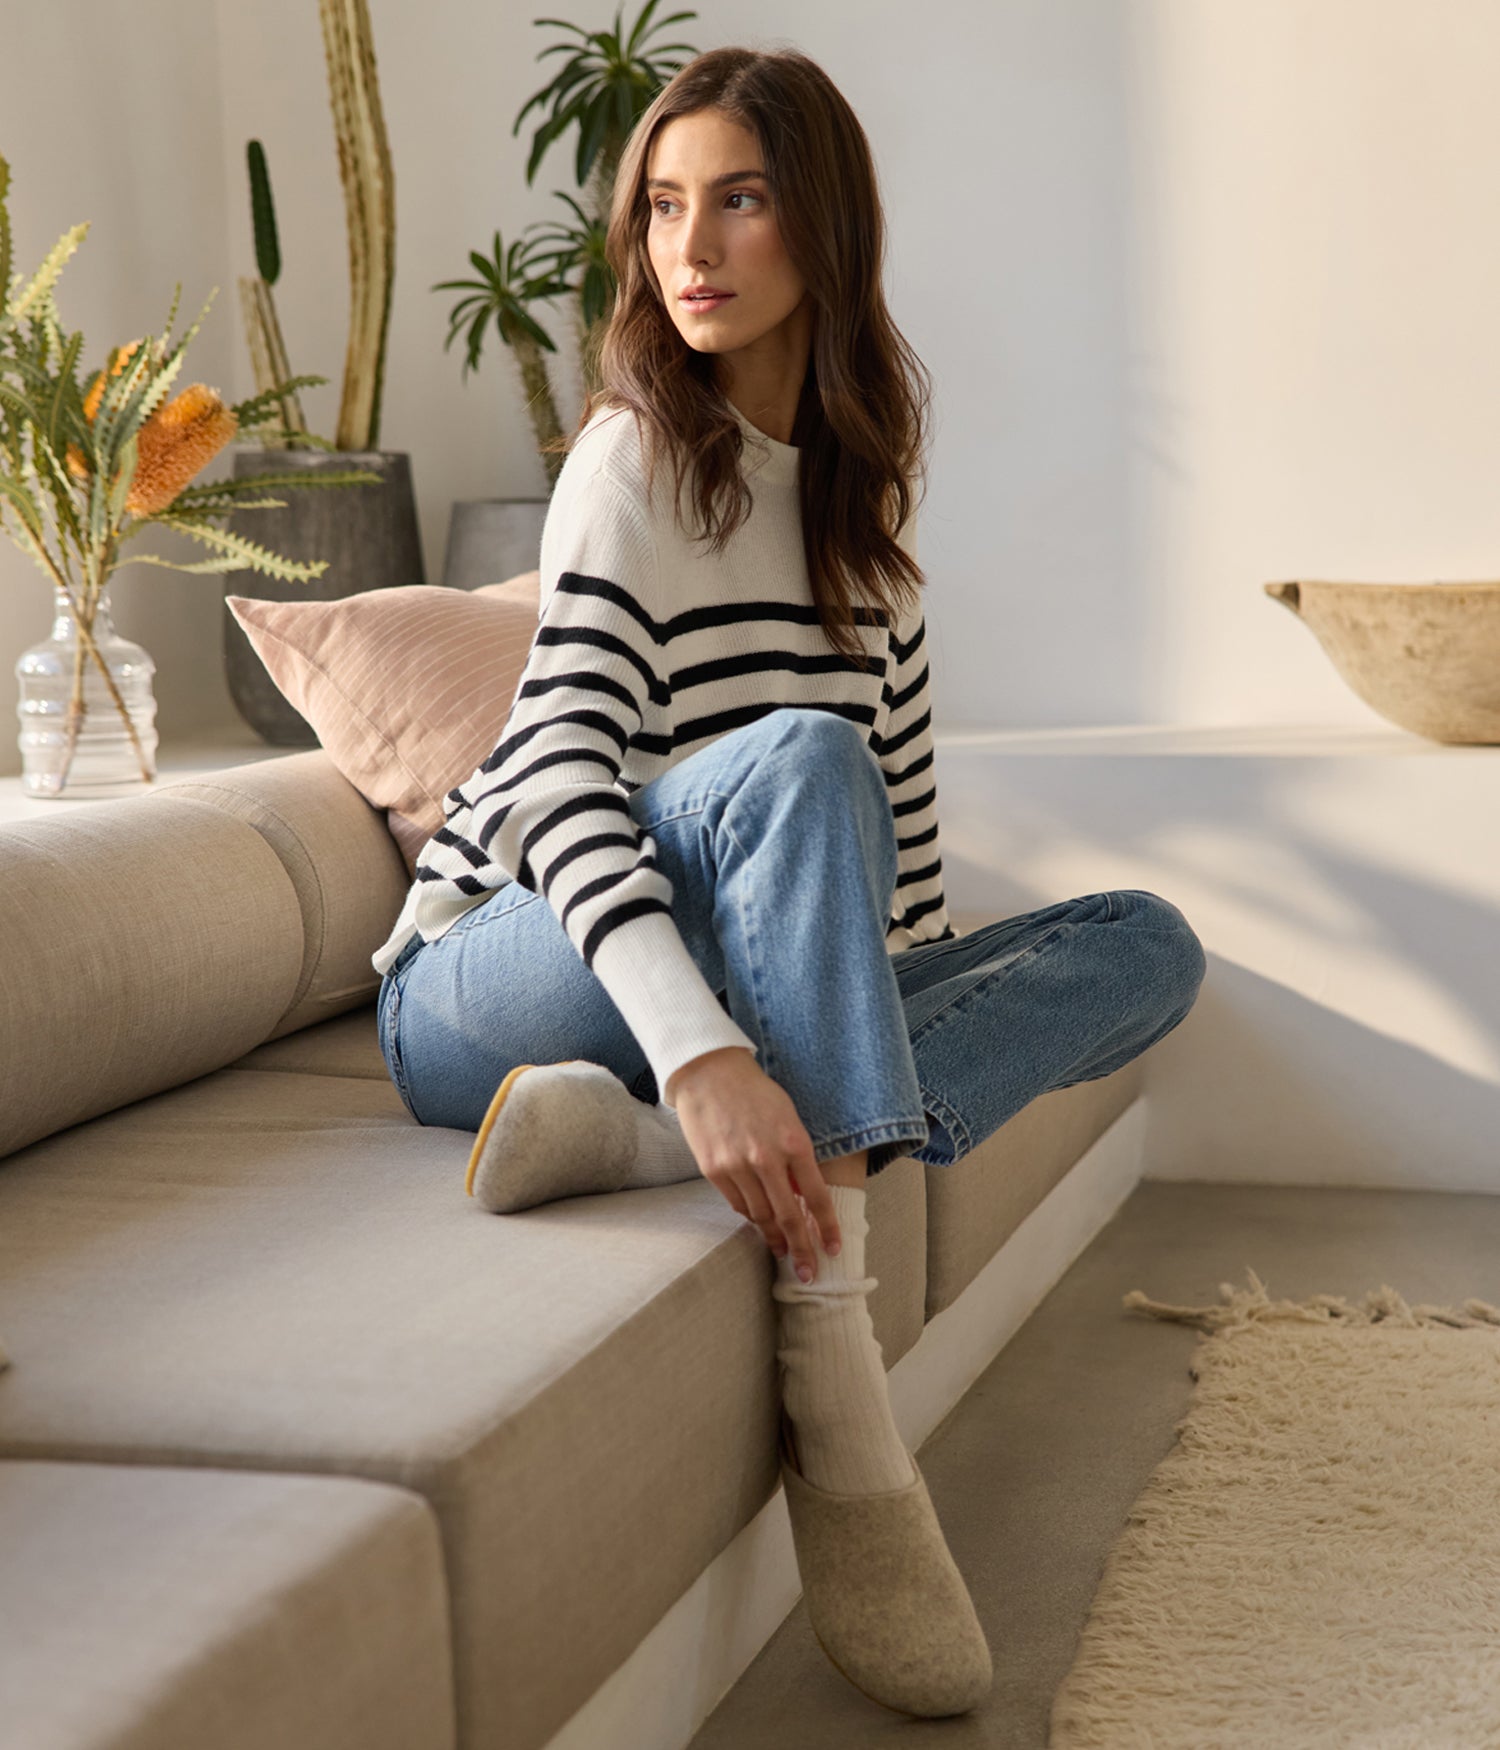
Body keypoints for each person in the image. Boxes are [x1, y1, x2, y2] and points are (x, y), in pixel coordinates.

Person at [372, 45, 1207, 1719]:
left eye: (738, 200)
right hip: (488, 974)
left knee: (1149, 942)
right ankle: (843, 1400)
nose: (693, 247)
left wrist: (837, 1029)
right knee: (796, 755)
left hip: (677, 1015)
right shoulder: (627, 463)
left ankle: (639, 1140)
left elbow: (899, 881)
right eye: (666, 207)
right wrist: (708, 1044)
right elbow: (552, 786)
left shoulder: (863, 519)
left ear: (821, 225)